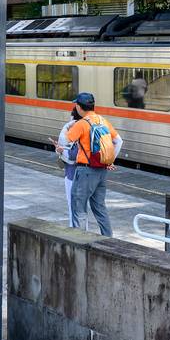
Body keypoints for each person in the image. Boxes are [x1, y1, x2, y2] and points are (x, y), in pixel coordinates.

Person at [65, 92, 123, 237]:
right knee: (100, 208)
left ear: (78, 107)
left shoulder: (81, 124)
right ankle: (109, 239)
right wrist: (109, 160)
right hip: (102, 172)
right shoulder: (103, 121)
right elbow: (119, 141)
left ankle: (79, 242)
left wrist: (69, 126)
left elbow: (66, 141)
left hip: (85, 172)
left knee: (79, 208)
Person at [52, 108, 82, 228]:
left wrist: (61, 150)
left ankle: (75, 230)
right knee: (80, 207)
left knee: (73, 205)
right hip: (83, 174)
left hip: (73, 174)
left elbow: (73, 155)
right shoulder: (88, 127)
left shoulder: (77, 130)